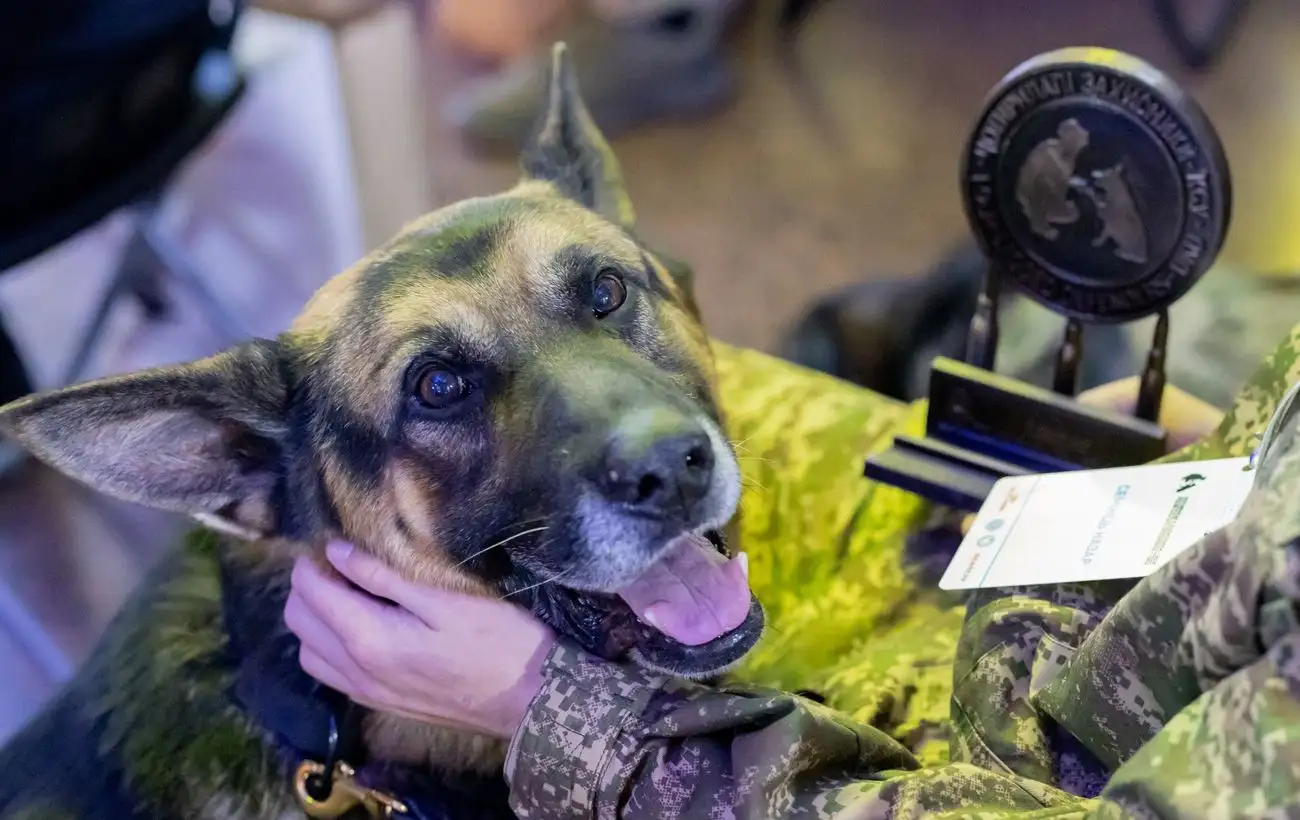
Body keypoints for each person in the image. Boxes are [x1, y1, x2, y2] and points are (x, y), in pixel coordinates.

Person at [282, 330, 1298, 818]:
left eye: (606, 301)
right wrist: (1252, 450)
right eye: (443, 385)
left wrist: (556, 709)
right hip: (1090, 610)